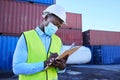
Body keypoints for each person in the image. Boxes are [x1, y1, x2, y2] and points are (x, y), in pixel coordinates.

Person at [12, 4, 68, 80]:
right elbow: (17, 68)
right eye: (54, 24)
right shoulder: (26, 37)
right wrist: (44, 64)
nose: (55, 28)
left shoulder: (58, 41)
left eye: (58, 26)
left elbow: (58, 70)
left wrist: (62, 67)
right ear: (46, 17)